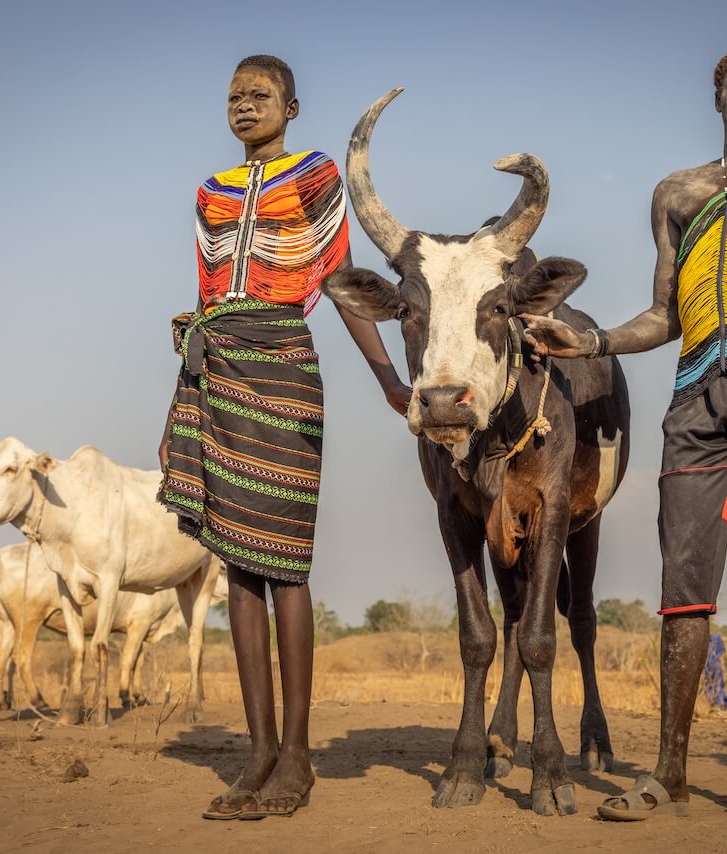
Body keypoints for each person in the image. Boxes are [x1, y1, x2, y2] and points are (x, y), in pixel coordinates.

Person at [523, 41, 727, 823]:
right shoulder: (676, 192)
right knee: (683, 592)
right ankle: (669, 770)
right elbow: (666, 315)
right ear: (716, 96)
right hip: (694, 400)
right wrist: (592, 339)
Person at [157, 54, 409, 820]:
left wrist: (389, 379)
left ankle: (297, 753)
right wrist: (194, 353)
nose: (243, 105)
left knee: (286, 563)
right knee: (234, 561)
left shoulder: (315, 175)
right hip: (219, 363)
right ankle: (258, 749)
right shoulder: (209, 193)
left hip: (285, 365)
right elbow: (208, 290)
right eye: (233, 95)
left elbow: (337, 280)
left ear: (292, 107)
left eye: (259, 95)